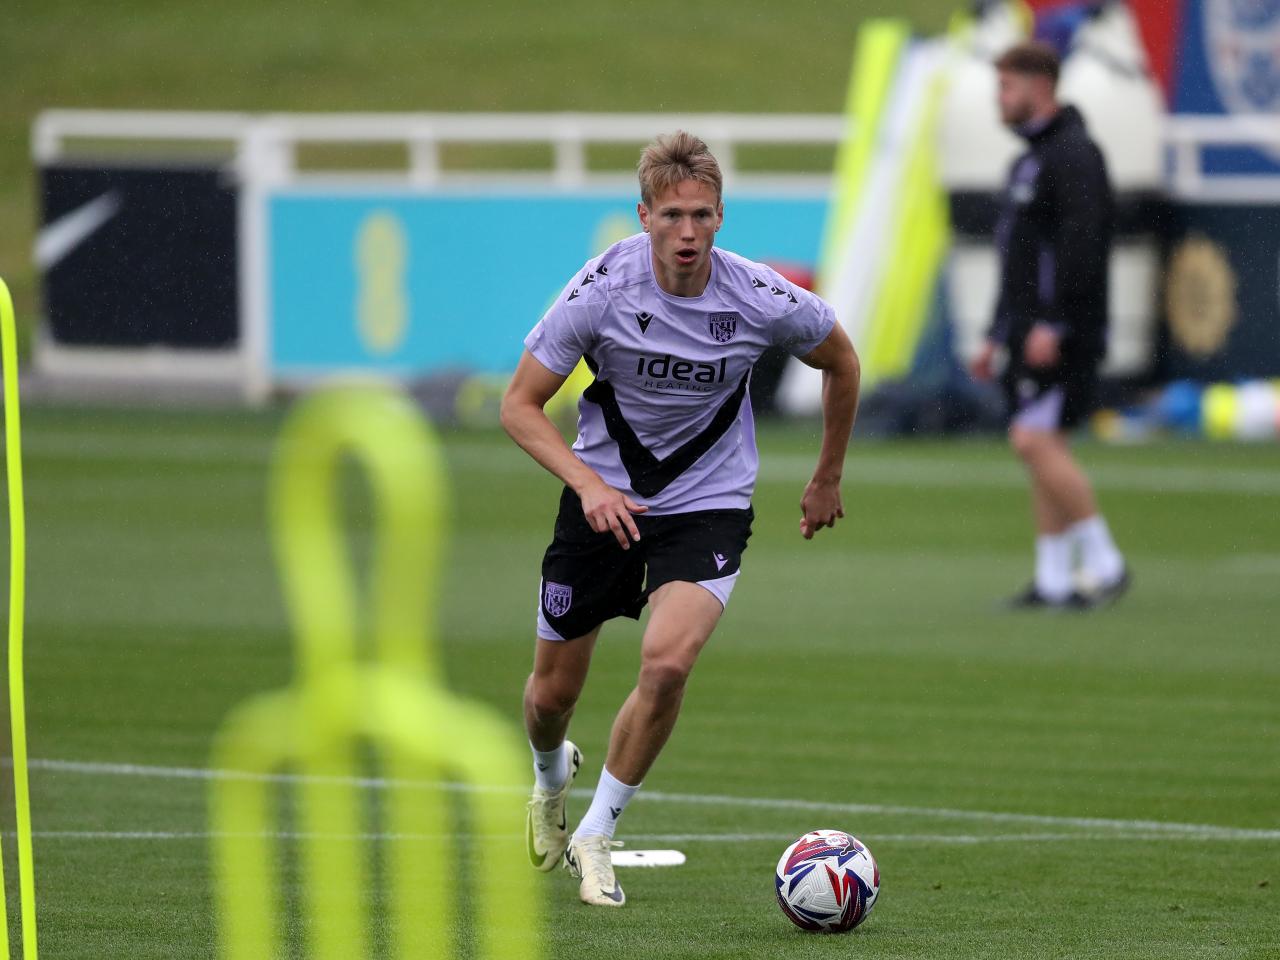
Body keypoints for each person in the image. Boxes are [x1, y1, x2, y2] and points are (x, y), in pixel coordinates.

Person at [500, 131, 860, 907]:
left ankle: (596, 833)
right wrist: (588, 486)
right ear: (643, 216)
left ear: (722, 217)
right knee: (547, 699)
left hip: (709, 504)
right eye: (671, 216)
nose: (687, 233)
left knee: (666, 664)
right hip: (604, 502)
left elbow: (842, 361)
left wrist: (826, 473)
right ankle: (550, 775)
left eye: (701, 215)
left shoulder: (759, 296)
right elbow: (519, 406)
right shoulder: (601, 287)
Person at [971, 41, 1130, 609]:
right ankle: (1055, 578)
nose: (999, 98)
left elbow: (1082, 247)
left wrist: (1056, 323)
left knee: (1031, 441)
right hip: (1027, 330)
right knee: (1045, 445)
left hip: (1061, 330)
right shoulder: (1027, 161)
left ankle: (1106, 561)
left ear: (1040, 86)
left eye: (1007, 87)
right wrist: (996, 331)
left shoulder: (1075, 156)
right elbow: (1017, 257)